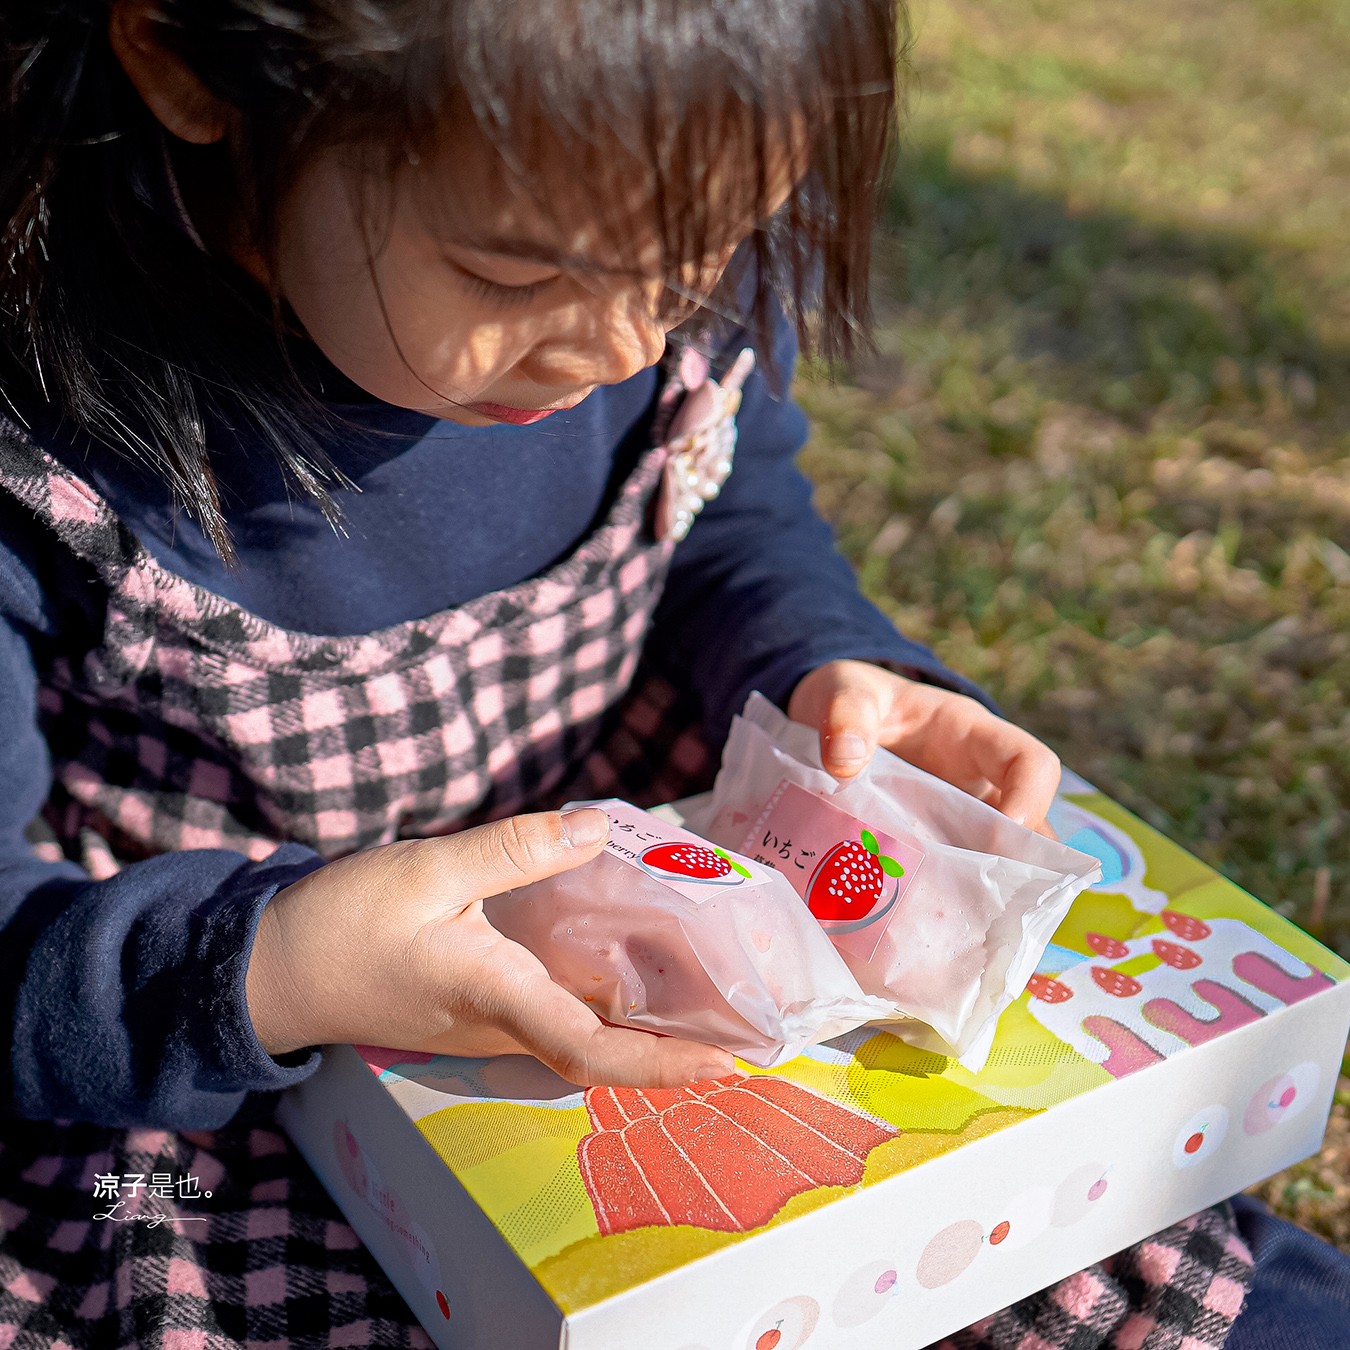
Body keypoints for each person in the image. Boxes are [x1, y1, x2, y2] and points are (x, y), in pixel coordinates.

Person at [0, 3, 1333, 1347]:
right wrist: (276, 969)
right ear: (185, 61)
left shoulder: (639, 225)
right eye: (512, 275)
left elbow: (721, 507)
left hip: (673, 981)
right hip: (206, 1101)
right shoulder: (37, 448)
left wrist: (820, 657)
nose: (623, 347)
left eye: (697, 263)